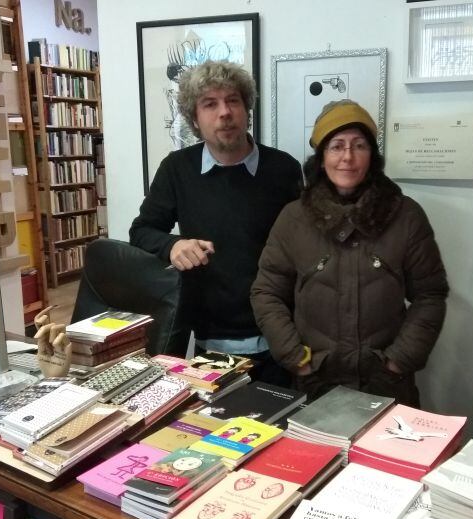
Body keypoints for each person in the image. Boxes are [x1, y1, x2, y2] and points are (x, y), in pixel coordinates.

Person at [251, 100, 448, 405]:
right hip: (315, 385)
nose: (348, 157)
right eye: (336, 146)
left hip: (387, 386)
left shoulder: (406, 215)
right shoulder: (294, 218)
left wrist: (396, 361)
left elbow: (431, 295)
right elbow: (266, 292)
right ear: (321, 157)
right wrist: (297, 359)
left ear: (372, 156)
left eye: (359, 145)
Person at [129, 61, 302, 387]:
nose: (224, 112)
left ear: (246, 108)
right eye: (210, 104)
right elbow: (141, 231)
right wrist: (173, 245)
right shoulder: (177, 169)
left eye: (233, 100)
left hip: (281, 339)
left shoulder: (284, 170)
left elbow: (306, 250)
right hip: (211, 344)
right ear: (194, 118)